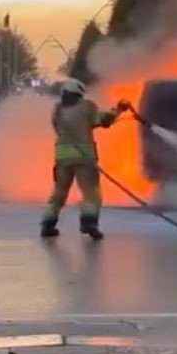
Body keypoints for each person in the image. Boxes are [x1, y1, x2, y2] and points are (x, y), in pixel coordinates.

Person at [40, 78, 130, 241]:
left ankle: (48, 224)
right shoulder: (87, 106)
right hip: (84, 157)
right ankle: (89, 222)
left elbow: (60, 129)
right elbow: (103, 120)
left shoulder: (57, 110)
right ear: (79, 93)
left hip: (62, 157)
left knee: (59, 193)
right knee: (91, 192)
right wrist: (119, 109)